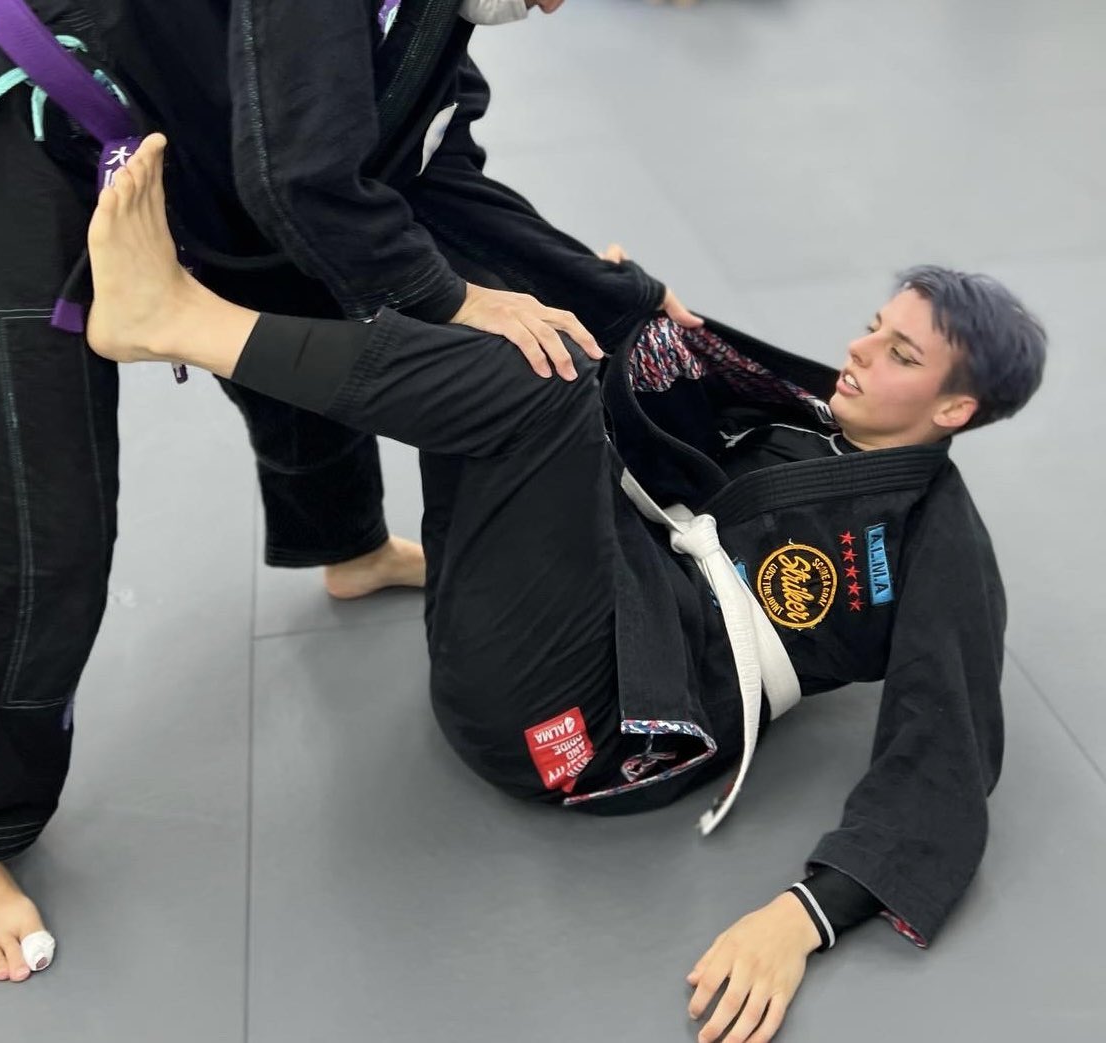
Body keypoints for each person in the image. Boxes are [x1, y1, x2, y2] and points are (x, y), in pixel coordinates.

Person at [83, 135, 1046, 1043]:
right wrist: (599, 305)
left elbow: (946, 744)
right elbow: (662, 384)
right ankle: (310, 449)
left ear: (956, 408)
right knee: (502, 311)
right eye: (874, 329)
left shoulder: (936, 538)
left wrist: (802, 920)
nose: (860, 353)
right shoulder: (802, 411)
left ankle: (178, 319)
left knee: (531, 380)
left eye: (900, 356)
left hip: (596, 727)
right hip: (563, 619)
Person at [0, 0, 698, 981]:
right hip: (28, 123)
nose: (552, 6)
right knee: (44, 530)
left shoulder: (437, 28)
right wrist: (451, 299)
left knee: (305, 291)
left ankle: (349, 549)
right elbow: (303, 178)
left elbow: (436, 176)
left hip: (182, 130)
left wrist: (622, 298)